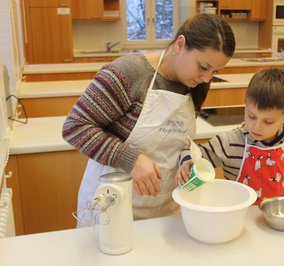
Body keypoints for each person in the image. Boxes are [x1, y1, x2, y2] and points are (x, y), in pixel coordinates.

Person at [62, 14, 236, 223]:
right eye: (203, 67)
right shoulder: (129, 73)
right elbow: (75, 127)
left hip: (163, 209)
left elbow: (176, 140)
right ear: (180, 44)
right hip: (111, 208)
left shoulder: (196, 85)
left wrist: (186, 159)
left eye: (215, 71)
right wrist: (132, 160)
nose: (207, 78)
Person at [176, 69, 284, 206]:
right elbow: (192, 153)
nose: (256, 126)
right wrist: (187, 162)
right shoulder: (230, 142)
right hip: (240, 216)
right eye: (251, 116)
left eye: (268, 122)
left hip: (279, 213)